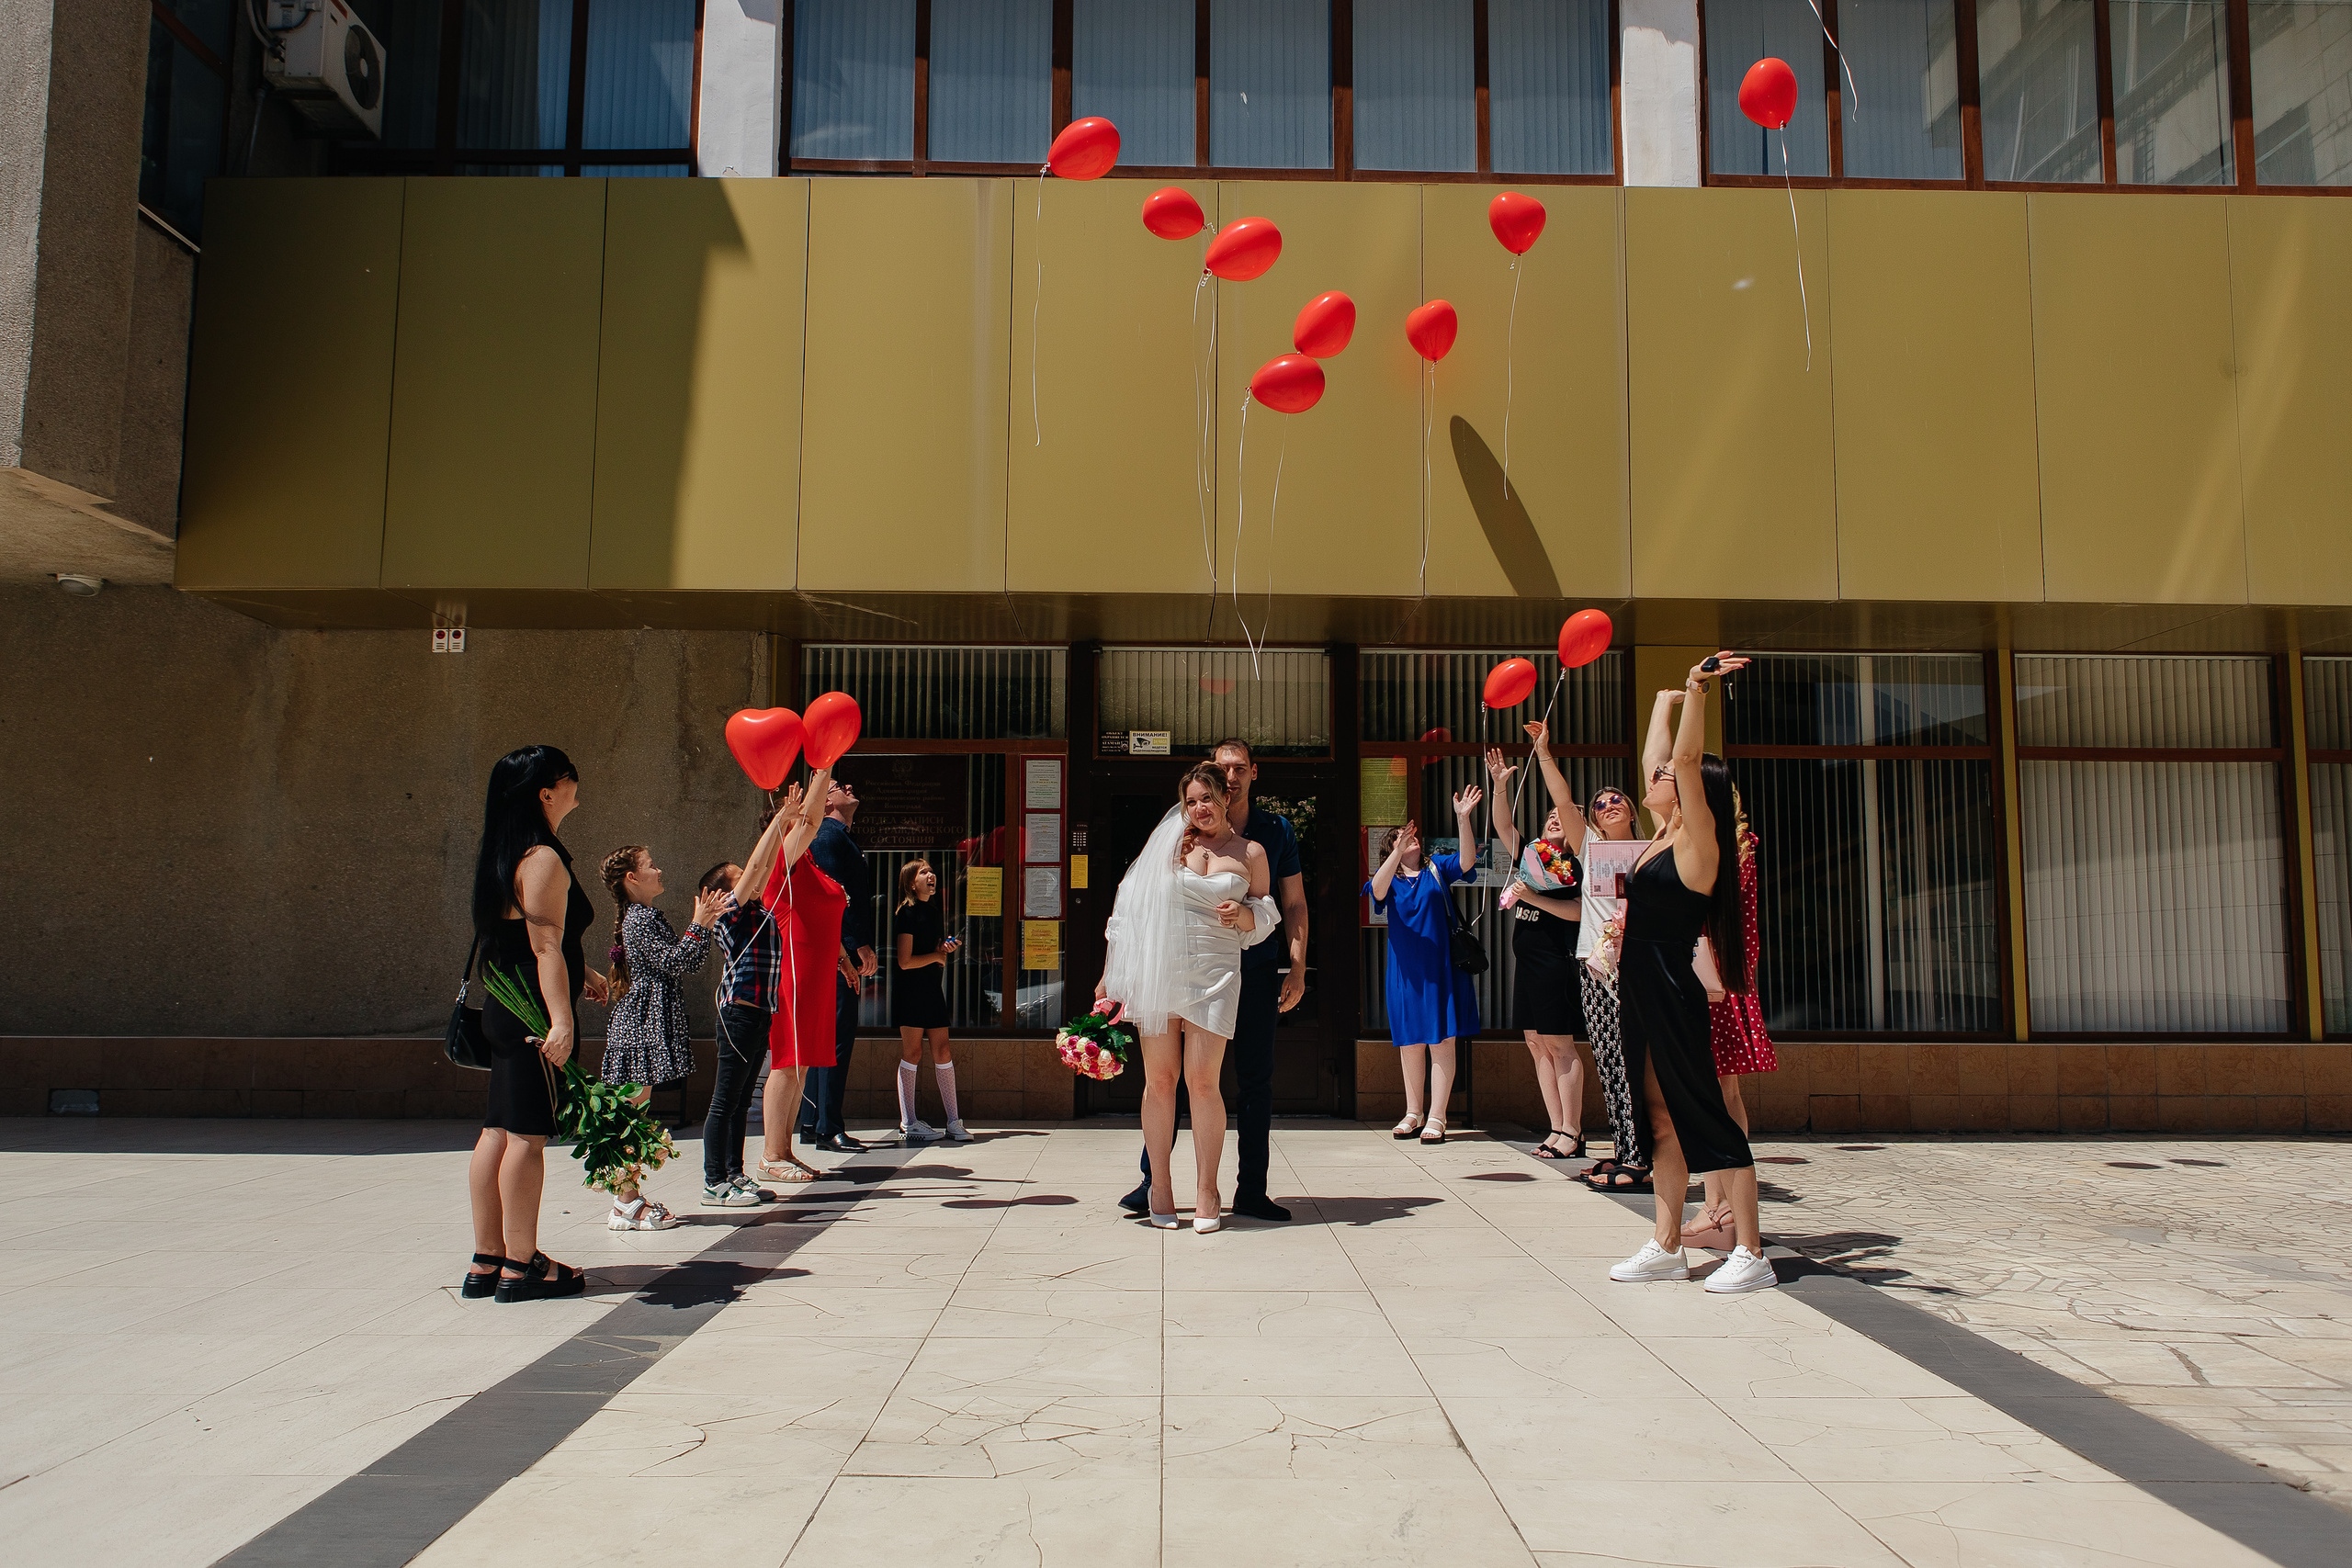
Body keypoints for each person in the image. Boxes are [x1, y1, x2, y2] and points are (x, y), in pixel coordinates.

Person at [1607, 653, 1778, 1295]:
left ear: (1688, 788)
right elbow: (1663, 752)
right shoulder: (1660, 834)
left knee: (1707, 1114)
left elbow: (1680, 760)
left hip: (1673, 988)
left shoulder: (1698, 843)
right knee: (1658, 1118)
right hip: (1638, 990)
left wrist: (1696, 689)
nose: (1650, 776)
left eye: (1664, 775)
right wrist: (1662, 702)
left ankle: (1754, 1251)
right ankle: (1667, 1242)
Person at [1116, 739, 1304, 1224]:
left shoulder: (1262, 843)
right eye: (1192, 800)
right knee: (1160, 1082)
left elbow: (1276, 909)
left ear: (1229, 793)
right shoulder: (1171, 844)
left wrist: (1248, 920)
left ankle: (1218, 1192)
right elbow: (1129, 907)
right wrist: (1110, 974)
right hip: (1163, 969)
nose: (1200, 807)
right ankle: (1156, 1187)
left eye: (1210, 796)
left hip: (1221, 974)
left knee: (1212, 1084)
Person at [465, 745, 599, 1303]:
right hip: (530, 1009)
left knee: (498, 1128)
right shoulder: (541, 857)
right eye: (569, 777)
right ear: (547, 792)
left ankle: (487, 1260)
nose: (575, 786)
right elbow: (544, 946)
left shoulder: (504, 851)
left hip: (503, 999)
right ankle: (523, 1265)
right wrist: (562, 1019)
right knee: (527, 1134)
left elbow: (525, 938)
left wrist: (581, 967)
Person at [595, 843, 727, 1231]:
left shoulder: (644, 916)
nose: (660, 871)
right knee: (630, 1116)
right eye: (651, 866)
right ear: (632, 878)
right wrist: (698, 923)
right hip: (639, 1028)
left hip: (648, 1024)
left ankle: (627, 1200)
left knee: (635, 1113)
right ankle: (624, 1204)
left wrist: (700, 926)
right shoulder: (638, 919)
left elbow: (689, 960)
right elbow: (678, 960)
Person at [1577, 695, 1678, 1194]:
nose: (1611, 803)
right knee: (1611, 1059)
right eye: (1600, 802)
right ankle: (1625, 1147)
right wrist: (1545, 754)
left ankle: (1639, 1156)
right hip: (1598, 967)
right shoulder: (1593, 847)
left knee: (1638, 1062)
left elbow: (1659, 767)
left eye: (1618, 797)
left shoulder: (1658, 843)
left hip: (1641, 967)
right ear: (1592, 820)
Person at [1682, 796, 1778, 1250]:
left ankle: (1720, 1208)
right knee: (1716, 1092)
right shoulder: (1720, 843)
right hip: (1712, 971)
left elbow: (1728, 918)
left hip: (1713, 973)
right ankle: (1717, 1205)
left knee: (1719, 1092)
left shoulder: (1733, 846)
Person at [1365, 784, 1484, 1145]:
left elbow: (1466, 862)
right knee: (1410, 1043)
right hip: (1404, 974)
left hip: (1440, 970)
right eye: (1400, 838)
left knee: (1442, 1042)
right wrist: (1395, 851)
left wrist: (1463, 819)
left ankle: (1438, 1116)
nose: (1409, 839)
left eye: (1411, 836)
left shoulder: (1436, 868)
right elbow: (1377, 891)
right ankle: (1413, 1111)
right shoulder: (1390, 877)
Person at [1484, 742, 1588, 1161]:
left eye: (1561, 816)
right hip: (1525, 963)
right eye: (1548, 816)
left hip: (1555, 962)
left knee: (1560, 1044)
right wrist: (1499, 788)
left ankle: (1573, 1131)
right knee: (1534, 1042)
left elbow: (1580, 912)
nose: (1553, 819)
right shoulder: (1530, 855)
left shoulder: (1579, 863)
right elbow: (1504, 827)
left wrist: (1533, 898)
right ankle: (1555, 1125)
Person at [696, 800, 796, 1207]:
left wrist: (790, 819)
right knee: (725, 1099)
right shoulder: (728, 914)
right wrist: (778, 821)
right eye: (737, 879)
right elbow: (757, 868)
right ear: (722, 892)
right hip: (737, 1012)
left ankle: (735, 1175)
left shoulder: (757, 911)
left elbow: (767, 863)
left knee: (739, 1099)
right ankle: (713, 1181)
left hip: (759, 1013)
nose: (751, 878)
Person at [763, 770, 844, 1181]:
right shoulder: (783, 857)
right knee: (787, 1062)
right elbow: (811, 821)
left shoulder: (808, 861)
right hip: (794, 972)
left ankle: (786, 1150)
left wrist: (844, 959)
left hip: (817, 976)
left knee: (803, 1065)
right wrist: (824, 771)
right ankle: (771, 1155)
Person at [800, 774, 876, 1153]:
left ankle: (815, 1122)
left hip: (836, 953)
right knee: (834, 1040)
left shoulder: (839, 836)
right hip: (836, 956)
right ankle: (827, 1126)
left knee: (829, 1039)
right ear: (826, 802)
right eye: (838, 786)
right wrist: (856, 946)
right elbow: (834, 897)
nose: (849, 788)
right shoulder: (827, 837)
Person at [892, 857, 966, 1142]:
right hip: (910, 991)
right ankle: (908, 1120)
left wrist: (944, 947)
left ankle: (953, 1120)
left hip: (932, 988)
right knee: (912, 1053)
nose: (931, 875)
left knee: (943, 1050)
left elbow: (934, 948)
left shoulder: (934, 912)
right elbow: (905, 961)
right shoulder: (906, 913)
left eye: (931, 871)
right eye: (924, 872)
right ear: (912, 882)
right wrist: (936, 956)